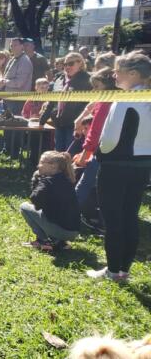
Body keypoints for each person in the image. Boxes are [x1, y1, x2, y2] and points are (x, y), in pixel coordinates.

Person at [88, 50, 151, 282]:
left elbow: (111, 135)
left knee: (113, 218)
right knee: (129, 216)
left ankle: (113, 270)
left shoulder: (126, 98)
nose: (114, 76)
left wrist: (100, 153)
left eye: (117, 72)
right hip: (142, 164)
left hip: (116, 164)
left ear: (133, 73)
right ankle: (124, 269)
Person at [72, 68, 117, 231]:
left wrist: (86, 152)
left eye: (97, 87)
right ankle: (106, 222)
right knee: (108, 189)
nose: (94, 91)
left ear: (108, 85)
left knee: (84, 184)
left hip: (101, 151)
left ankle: (67, 216)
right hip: (117, 152)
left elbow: (95, 130)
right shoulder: (116, 99)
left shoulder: (105, 103)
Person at [20, 151, 80, 251]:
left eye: (42, 162)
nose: (38, 165)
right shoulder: (67, 179)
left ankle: (43, 241)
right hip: (74, 231)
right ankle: (59, 242)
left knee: (24, 206)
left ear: (53, 166)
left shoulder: (47, 181)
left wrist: (36, 180)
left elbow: (34, 198)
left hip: (61, 230)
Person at [39, 52, 91, 152]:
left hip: (75, 124)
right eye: (65, 64)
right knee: (58, 153)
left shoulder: (87, 80)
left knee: (70, 154)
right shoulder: (59, 79)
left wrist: (82, 123)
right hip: (59, 123)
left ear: (80, 63)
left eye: (71, 64)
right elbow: (52, 102)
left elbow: (89, 105)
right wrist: (42, 120)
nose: (67, 67)